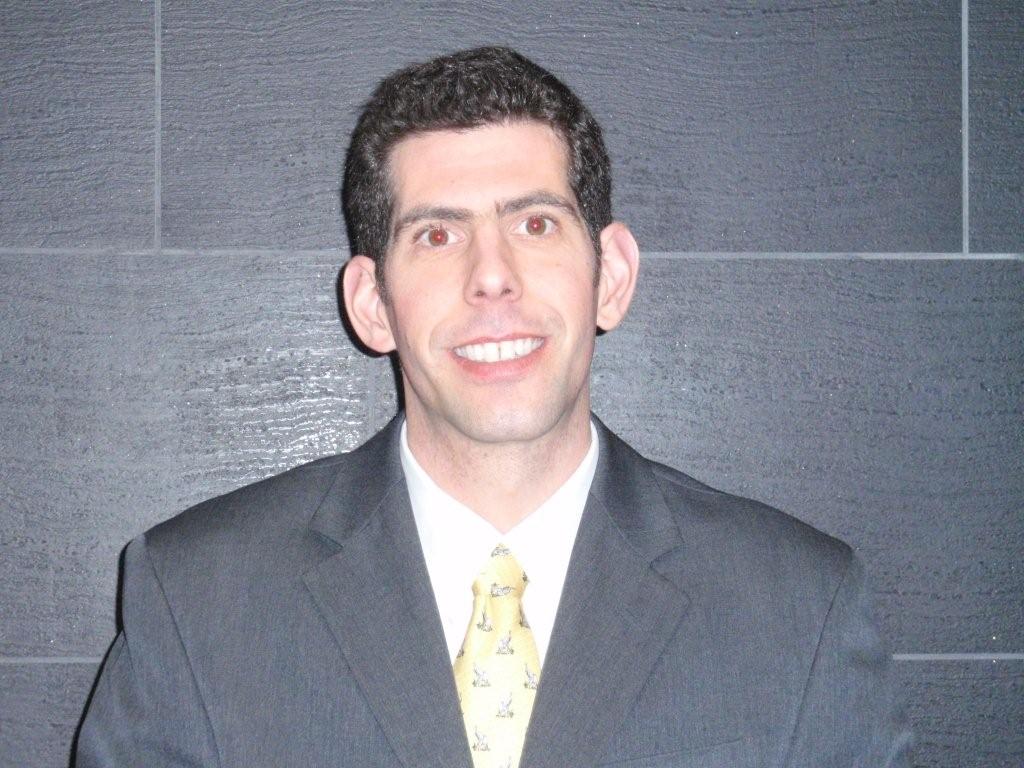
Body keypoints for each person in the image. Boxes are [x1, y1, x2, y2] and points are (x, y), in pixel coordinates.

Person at [76, 46, 913, 767]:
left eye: (536, 225)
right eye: (437, 235)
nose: (491, 276)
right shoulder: (197, 599)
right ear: (372, 303)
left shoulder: (799, 607)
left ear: (612, 277)